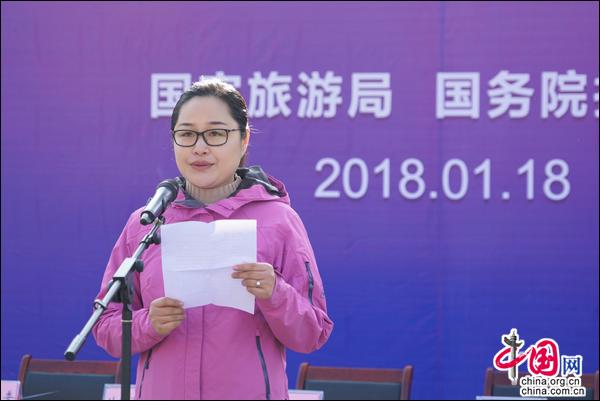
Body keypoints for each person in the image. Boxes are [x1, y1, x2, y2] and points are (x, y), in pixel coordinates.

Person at [92, 78, 333, 400]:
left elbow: (312, 333)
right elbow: (105, 325)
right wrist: (148, 323)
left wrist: (275, 292)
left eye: (216, 134)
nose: (199, 148)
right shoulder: (146, 223)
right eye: (186, 134)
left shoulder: (279, 221)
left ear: (244, 140)